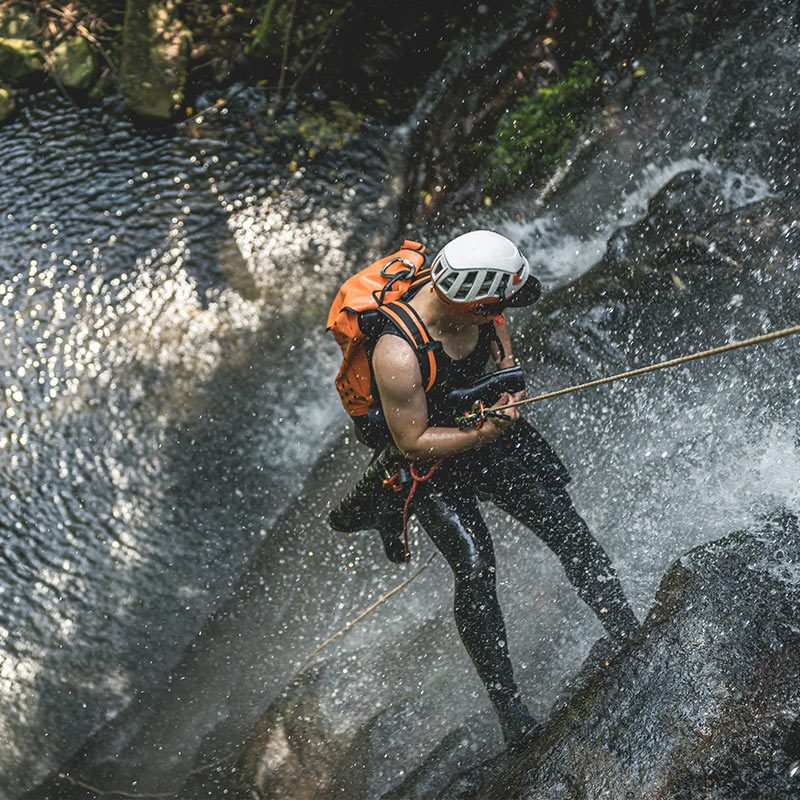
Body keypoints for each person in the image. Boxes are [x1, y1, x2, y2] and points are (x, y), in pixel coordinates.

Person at [330, 230, 638, 751]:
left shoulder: (483, 309)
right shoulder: (397, 352)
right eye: (497, 306)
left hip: (483, 432)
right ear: (469, 302)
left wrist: (509, 395)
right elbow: (412, 441)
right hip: (432, 461)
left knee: (564, 524)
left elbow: (503, 361)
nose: (502, 313)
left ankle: (627, 628)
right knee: (474, 567)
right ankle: (510, 709)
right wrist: (484, 433)